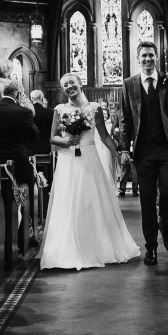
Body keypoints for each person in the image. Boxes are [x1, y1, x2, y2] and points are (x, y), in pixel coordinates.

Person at [40, 73, 139, 270]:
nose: (69, 87)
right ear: (62, 89)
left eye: (72, 83)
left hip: (90, 159)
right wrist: (67, 141)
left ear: (80, 83)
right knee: (70, 203)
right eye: (65, 85)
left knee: (92, 201)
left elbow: (104, 136)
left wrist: (119, 152)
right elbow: (52, 138)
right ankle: (70, 249)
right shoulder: (59, 110)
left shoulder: (94, 109)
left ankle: (97, 247)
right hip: (69, 162)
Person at [119, 41, 168, 266]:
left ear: (156, 57)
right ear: (138, 59)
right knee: (147, 200)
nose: (147, 59)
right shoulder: (129, 84)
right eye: (144, 56)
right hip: (143, 151)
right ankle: (151, 247)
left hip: (166, 148)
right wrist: (123, 148)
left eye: (151, 55)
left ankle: (165, 227)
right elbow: (126, 120)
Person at [0, 79, 39, 252]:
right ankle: (22, 239)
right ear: (19, 94)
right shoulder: (23, 112)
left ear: (2, 93)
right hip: (16, 165)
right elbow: (34, 136)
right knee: (26, 193)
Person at [94, 106, 119, 182]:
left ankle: (108, 183)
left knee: (107, 166)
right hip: (97, 147)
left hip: (107, 149)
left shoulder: (110, 125)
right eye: (103, 114)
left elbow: (113, 136)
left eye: (106, 114)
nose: (104, 115)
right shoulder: (94, 125)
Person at [30, 89, 55, 156]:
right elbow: (53, 131)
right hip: (45, 147)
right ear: (42, 98)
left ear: (31, 99)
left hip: (30, 148)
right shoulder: (49, 113)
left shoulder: (27, 112)